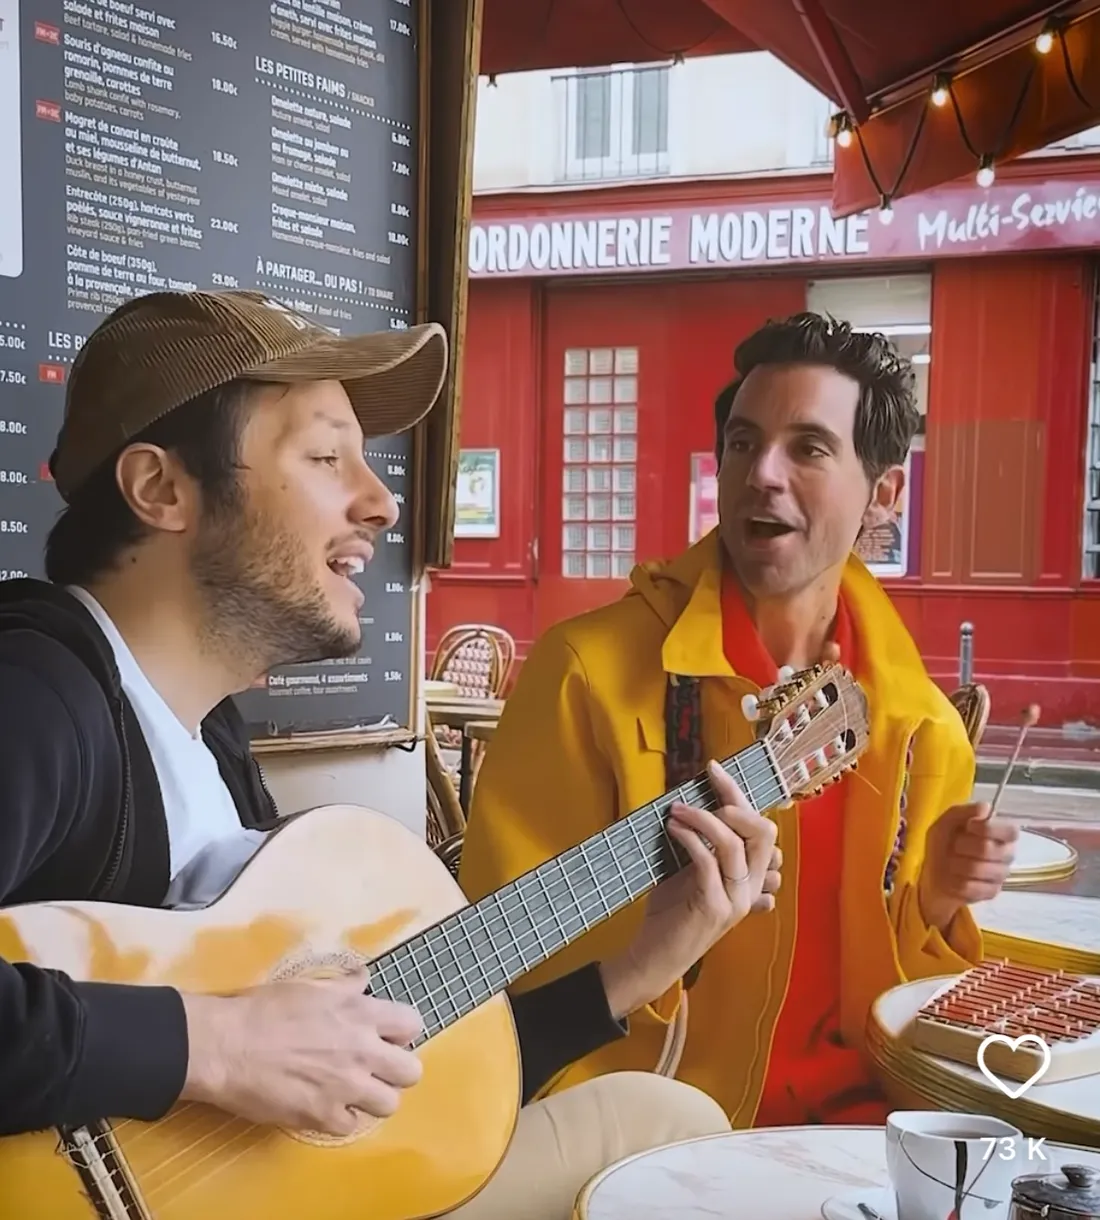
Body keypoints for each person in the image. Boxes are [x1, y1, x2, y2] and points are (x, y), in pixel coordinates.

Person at [0, 290, 790, 1217]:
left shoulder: (208, 745)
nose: (381, 502)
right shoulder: (39, 694)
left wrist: (642, 966)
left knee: (666, 1121)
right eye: (327, 456)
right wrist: (212, 1046)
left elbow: (386, 1094)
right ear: (162, 489)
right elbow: (233, 1055)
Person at [458, 311, 1019, 1129]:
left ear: (884, 491)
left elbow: (899, 1001)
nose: (762, 473)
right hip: (652, 1130)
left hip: (869, 1125)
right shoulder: (587, 674)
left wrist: (932, 898)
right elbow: (503, 975)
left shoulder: (920, 724)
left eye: (809, 448)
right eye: (743, 441)